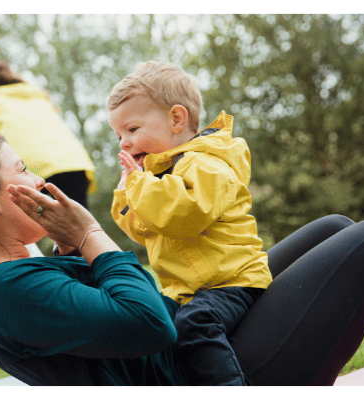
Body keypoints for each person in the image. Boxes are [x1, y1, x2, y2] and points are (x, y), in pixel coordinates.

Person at [0, 124, 364, 385]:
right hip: (207, 374)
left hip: (203, 344)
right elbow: (149, 323)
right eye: (21, 171)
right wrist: (89, 234)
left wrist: (72, 248)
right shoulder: (2, 293)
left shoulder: (11, 277)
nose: (37, 181)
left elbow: (104, 321)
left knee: (334, 229)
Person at [107, 61, 272, 384]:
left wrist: (139, 185)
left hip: (232, 281)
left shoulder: (204, 162)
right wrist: (126, 194)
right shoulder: (161, 176)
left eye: (132, 129)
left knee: (195, 323)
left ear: (176, 119)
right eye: (118, 135)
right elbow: (146, 230)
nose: (123, 142)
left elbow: (184, 215)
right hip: (194, 288)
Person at [0, 61, 96, 208]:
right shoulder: (39, 97)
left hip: (33, 170)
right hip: (73, 163)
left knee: (31, 224)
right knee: (82, 225)